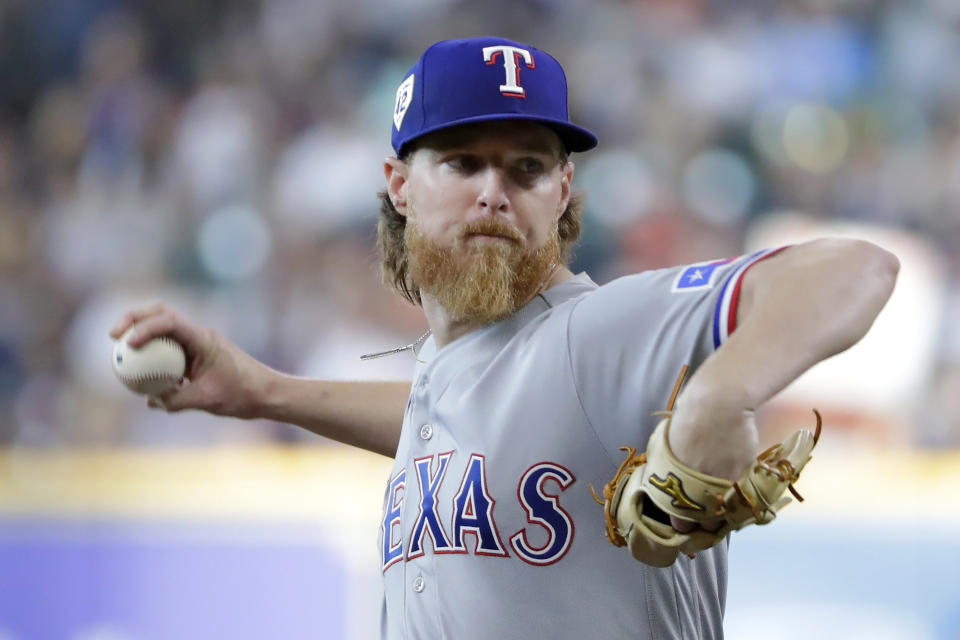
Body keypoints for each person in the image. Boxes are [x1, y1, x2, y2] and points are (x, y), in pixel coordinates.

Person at [110, 37, 898, 639]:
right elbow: (453, 415)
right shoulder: (466, 369)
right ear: (399, 186)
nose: (495, 193)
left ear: (562, 192)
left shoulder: (601, 332)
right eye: (462, 162)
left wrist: (723, 393)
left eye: (525, 168)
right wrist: (264, 393)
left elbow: (853, 267)